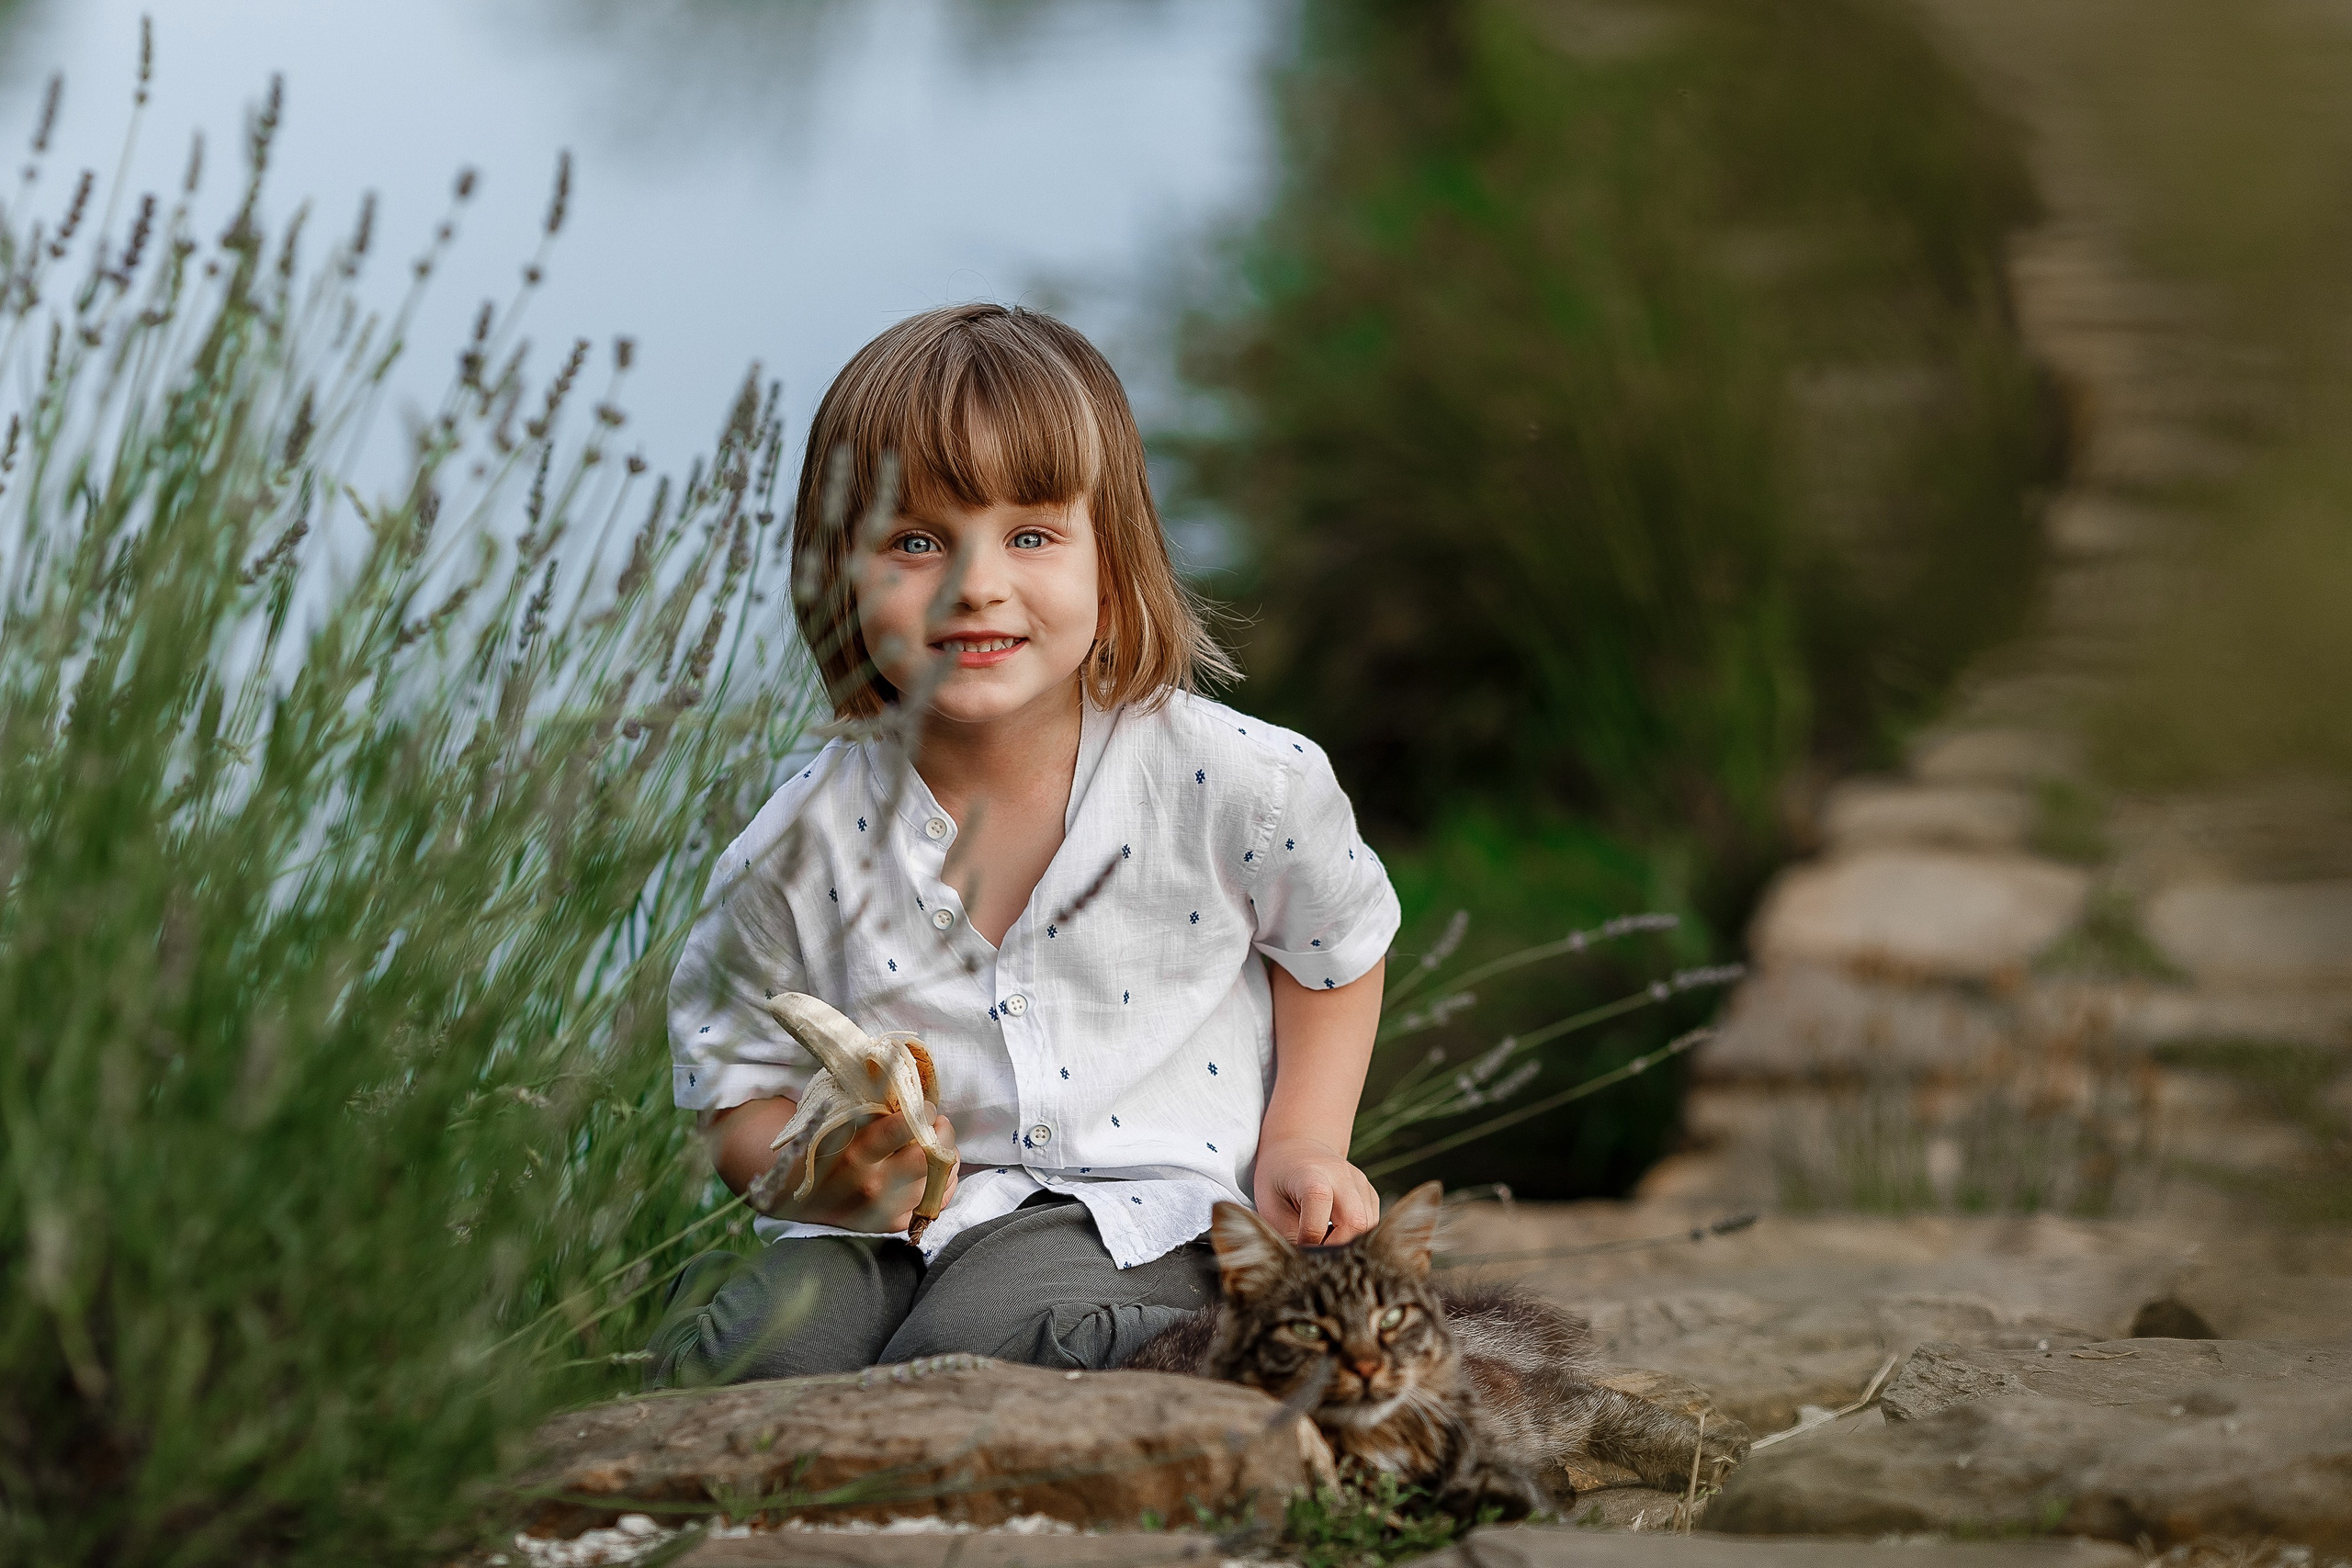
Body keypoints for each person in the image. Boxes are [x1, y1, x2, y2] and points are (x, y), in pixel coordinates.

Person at [648, 302, 1400, 1386]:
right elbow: (738, 1084)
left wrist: (1302, 1144)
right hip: (878, 1236)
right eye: (913, 542)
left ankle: (1200, 1367)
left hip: (1135, 1209)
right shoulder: (796, 848)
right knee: (768, 1359)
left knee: (980, 1351)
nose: (976, 585)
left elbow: (1337, 951)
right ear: (836, 575)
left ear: (1115, 554)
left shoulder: (1237, 781)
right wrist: (819, 1178)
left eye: (1031, 535)